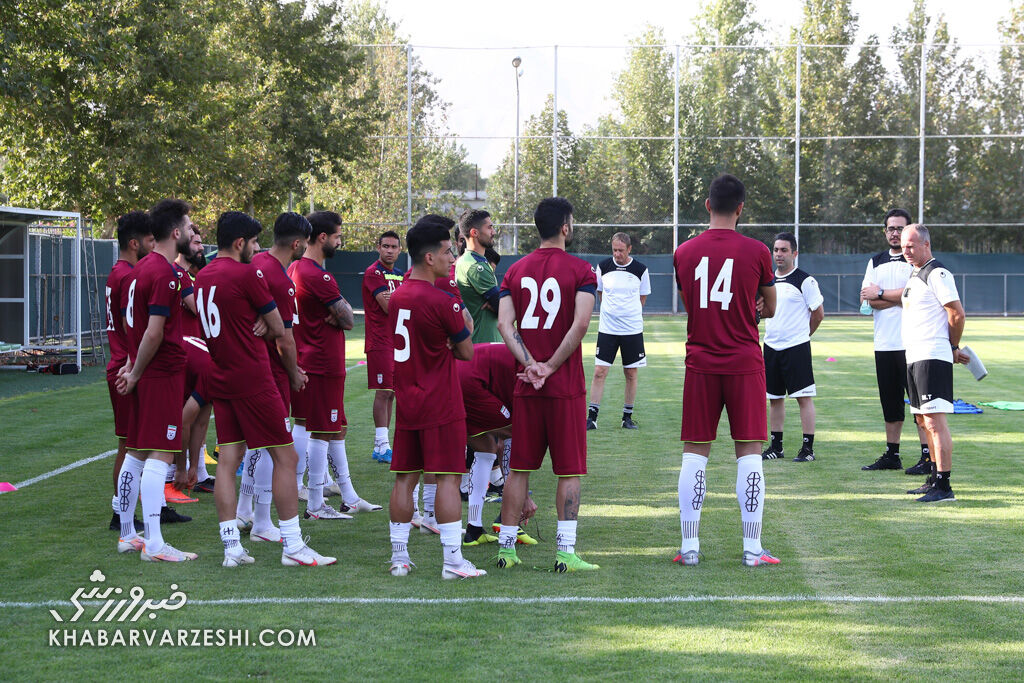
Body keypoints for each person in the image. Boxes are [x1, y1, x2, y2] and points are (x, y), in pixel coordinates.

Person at [196, 211, 335, 567]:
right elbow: (280, 330)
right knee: (286, 457)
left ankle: (231, 548)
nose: (258, 250)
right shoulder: (249, 272)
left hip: (221, 375)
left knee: (228, 461)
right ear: (240, 243)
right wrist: (290, 367)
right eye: (254, 243)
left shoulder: (203, 275)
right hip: (254, 378)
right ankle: (292, 545)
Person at [671, 174, 779, 568]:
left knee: (694, 455)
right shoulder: (757, 251)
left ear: (706, 205)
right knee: (749, 453)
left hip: (700, 361)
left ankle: (689, 547)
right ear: (741, 208)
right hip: (744, 362)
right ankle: (752, 549)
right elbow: (771, 306)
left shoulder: (683, 252)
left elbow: (689, 303)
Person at [496, 196, 600, 573]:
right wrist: (551, 366)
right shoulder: (581, 270)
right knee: (568, 470)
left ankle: (506, 550)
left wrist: (531, 365)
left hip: (526, 384)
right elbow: (581, 324)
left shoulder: (515, 270)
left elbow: (506, 325)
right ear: (566, 227)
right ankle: (565, 553)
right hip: (564, 387)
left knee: (519, 470)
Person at [385, 215, 485, 579]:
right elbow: (467, 351)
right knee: (447, 478)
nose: (450, 258)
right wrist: (453, 338)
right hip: (440, 400)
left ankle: (399, 557)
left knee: (404, 478)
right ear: (429, 257)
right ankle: (453, 562)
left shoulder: (398, 296)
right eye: (446, 251)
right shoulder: (441, 299)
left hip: (408, 400)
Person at [114, 198, 197, 562]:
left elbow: (135, 327)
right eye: (190, 227)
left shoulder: (141, 269)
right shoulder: (162, 273)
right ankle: (156, 544)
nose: (193, 232)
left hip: (145, 371)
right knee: (159, 456)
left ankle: (129, 534)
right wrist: (135, 371)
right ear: (175, 232)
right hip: (158, 373)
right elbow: (153, 333)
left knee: (135, 453)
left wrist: (132, 366)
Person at [289, 211, 379, 520]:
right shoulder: (317, 275)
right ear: (323, 237)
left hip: (308, 358)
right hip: (321, 362)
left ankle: (349, 496)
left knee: (335, 427)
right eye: (338, 236)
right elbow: (349, 319)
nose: (341, 241)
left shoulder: (294, 268)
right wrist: (338, 314)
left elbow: (341, 315)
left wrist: (337, 313)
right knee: (322, 431)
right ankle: (315, 504)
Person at [874, 224, 967, 502]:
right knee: (924, 420)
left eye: (911, 246)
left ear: (926, 244)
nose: (906, 251)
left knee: (935, 422)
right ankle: (934, 477)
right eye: (903, 246)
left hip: (931, 357)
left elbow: (957, 314)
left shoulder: (937, 273)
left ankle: (944, 486)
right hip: (914, 357)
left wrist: (951, 346)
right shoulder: (916, 275)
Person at [234, 212, 312, 541]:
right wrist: (294, 372)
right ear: (296, 243)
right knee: (278, 448)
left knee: (252, 446)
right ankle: (263, 522)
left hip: (244, 366)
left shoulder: (259, 264)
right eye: (305, 243)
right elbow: (285, 338)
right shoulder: (279, 279)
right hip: (268, 371)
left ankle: (243, 510)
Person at [859, 209, 932, 473]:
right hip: (884, 344)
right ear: (885, 231)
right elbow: (867, 301)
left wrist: (881, 294)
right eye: (890, 228)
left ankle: (927, 456)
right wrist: (888, 296)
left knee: (918, 403)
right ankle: (892, 454)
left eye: (900, 228)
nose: (894, 233)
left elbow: (912, 294)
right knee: (890, 403)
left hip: (911, 344)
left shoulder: (914, 259)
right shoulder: (875, 261)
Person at [458, 342, 537, 547]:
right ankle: (507, 519)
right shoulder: (536, 369)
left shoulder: (527, 357)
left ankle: (474, 529)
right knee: (517, 432)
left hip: (459, 376)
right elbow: (514, 444)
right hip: (471, 381)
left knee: (485, 450)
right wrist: (525, 496)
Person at [104, 211, 154, 533]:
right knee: (129, 445)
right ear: (134, 243)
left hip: (125, 364)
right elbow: (128, 323)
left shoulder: (119, 272)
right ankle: (120, 513)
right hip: (126, 367)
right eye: (149, 239)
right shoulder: (126, 276)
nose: (154, 244)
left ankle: (131, 510)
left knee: (136, 444)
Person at [760, 232, 824, 462]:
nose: (778, 254)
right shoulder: (767, 280)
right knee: (774, 398)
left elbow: (818, 314)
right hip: (771, 346)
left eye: (784, 250)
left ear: (794, 253)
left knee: (803, 398)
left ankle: (808, 449)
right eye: (776, 250)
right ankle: (776, 446)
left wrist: (803, 335)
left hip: (797, 347)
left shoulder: (805, 280)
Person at [587, 232, 651, 431]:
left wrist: (628, 315)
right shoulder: (603, 267)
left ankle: (627, 418)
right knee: (599, 372)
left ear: (629, 249)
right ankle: (592, 418)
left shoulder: (641, 270)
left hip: (632, 330)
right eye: (614, 250)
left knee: (631, 373)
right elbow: (600, 293)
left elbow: (642, 298)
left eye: (621, 250)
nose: (617, 254)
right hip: (607, 329)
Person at [362, 230, 405, 464]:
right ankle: (381, 445)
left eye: (394, 247)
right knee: (384, 390)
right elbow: (388, 306)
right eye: (385, 246)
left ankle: (384, 445)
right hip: (380, 341)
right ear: (378, 247)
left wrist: (397, 298)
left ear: (400, 250)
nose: (389, 250)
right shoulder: (373, 273)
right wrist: (403, 300)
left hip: (398, 340)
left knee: (393, 392)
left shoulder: (400, 274)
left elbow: (396, 302)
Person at [456, 209, 502, 343]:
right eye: (489, 228)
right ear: (474, 233)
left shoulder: (470, 260)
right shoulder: (476, 267)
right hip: (484, 346)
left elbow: (499, 305)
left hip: (483, 342)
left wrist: (499, 302)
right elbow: (504, 310)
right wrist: (501, 303)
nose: (493, 232)